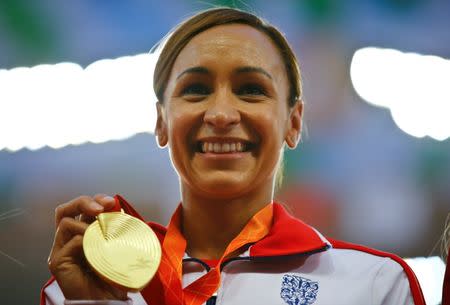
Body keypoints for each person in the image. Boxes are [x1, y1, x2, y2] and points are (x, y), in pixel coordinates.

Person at [41, 7, 426, 305]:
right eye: (195, 89)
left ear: (293, 123)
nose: (221, 114)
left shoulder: (374, 283)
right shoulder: (86, 283)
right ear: (161, 122)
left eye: (250, 89)